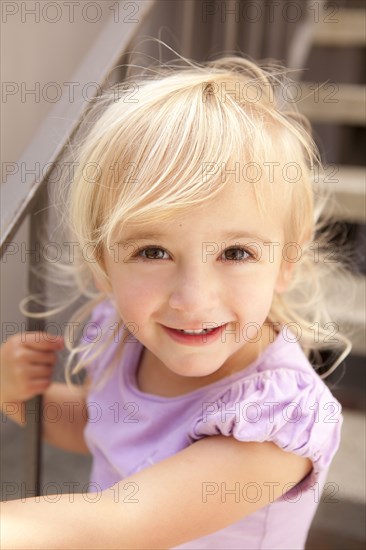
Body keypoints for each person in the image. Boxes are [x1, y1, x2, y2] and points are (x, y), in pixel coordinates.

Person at [0, 54, 351, 549]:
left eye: (235, 252)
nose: (192, 299)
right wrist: (18, 397)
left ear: (286, 263)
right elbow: (105, 429)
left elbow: (120, 523)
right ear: (103, 264)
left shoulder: (275, 422)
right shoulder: (126, 337)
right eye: (153, 251)